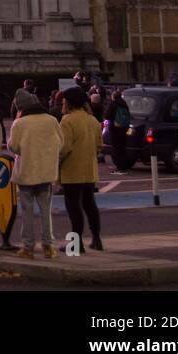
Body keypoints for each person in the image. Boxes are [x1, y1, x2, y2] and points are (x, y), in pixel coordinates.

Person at [7, 88, 64, 259]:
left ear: (21, 108)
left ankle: (28, 247)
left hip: (26, 171)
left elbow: (13, 146)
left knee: (27, 211)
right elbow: (60, 143)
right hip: (46, 172)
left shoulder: (20, 123)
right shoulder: (51, 120)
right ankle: (48, 246)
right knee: (46, 211)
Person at [58, 86, 104, 252]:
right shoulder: (92, 120)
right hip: (89, 170)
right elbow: (99, 145)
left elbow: (64, 148)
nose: (62, 104)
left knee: (74, 208)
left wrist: (56, 162)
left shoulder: (67, 121)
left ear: (68, 103)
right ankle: (96, 238)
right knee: (90, 204)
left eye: (63, 101)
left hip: (71, 171)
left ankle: (76, 244)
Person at [107, 89, 132, 173]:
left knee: (116, 148)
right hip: (124, 128)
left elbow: (108, 115)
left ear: (113, 96)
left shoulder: (113, 104)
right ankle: (124, 165)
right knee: (122, 147)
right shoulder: (124, 104)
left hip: (115, 129)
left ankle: (119, 167)